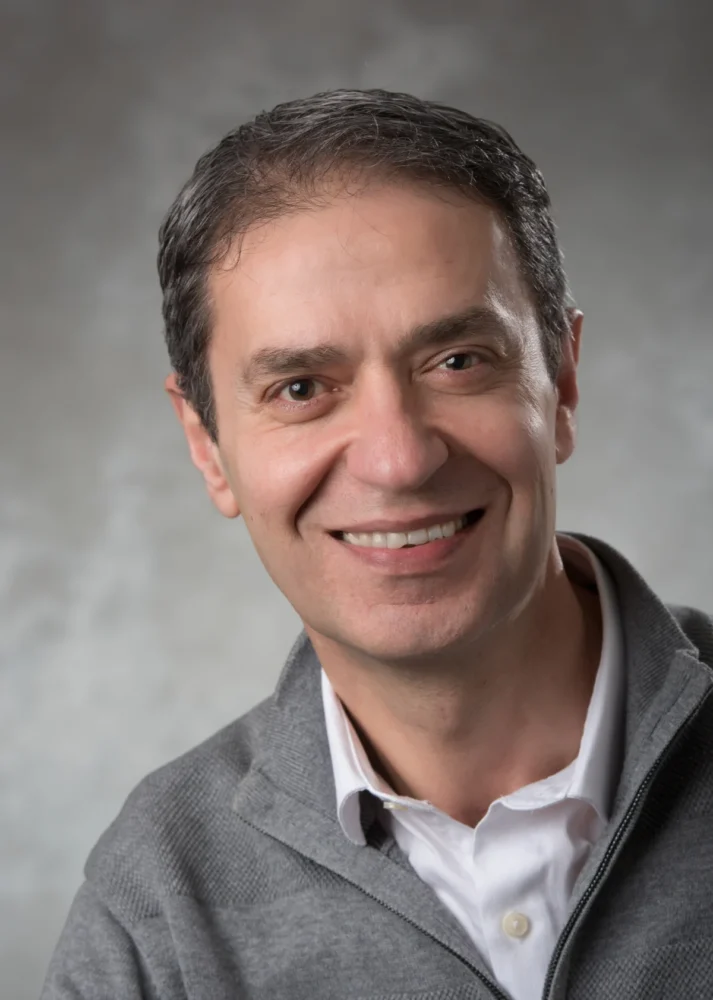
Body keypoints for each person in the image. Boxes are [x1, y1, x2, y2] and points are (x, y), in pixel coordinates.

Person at [41, 89, 713, 1000]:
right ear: (206, 446)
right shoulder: (155, 911)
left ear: (559, 383)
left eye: (456, 362)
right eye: (300, 388)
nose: (398, 460)